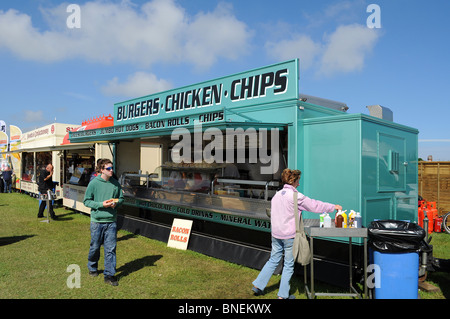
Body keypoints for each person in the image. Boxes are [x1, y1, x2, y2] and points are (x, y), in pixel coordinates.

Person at [252, 168, 342, 299]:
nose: (299, 184)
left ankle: (258, 285)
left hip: (276, 234)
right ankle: (282, 296)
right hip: (289, 236)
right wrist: (333, 207)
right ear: (293, 181)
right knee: (288, 265)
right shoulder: (296, 196)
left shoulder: (277, 195)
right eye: (298, 181)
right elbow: (314, 205)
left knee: (273, 260)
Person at [84, 159, 124, 286]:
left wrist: (116, 203)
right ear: (101, 170)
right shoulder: (94, 183)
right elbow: (87, 201)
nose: (111, 170)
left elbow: (121, 199)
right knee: (95, 247)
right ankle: (92, 267)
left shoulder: (115, 184)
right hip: (97, 222)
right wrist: (102, 204)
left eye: (112, 168)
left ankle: (109, 274)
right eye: (108, 168)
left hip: (111, 221)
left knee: (110, 249)